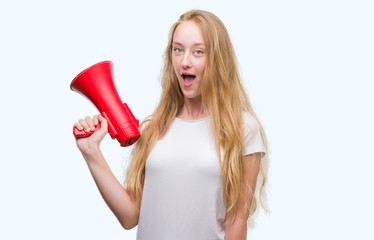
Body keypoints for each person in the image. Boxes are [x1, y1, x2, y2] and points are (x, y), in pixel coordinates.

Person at [73, 9, 269, 240]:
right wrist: (91, 151)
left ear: (218, 59)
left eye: (198, 51)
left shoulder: (243, 128)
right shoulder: (152, 128)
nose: (185, 61)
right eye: (178, 50)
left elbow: (237, 221)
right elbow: (130, 217)